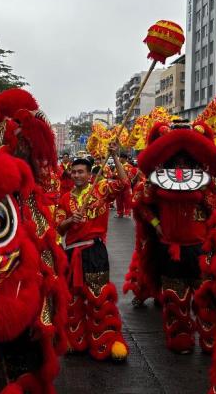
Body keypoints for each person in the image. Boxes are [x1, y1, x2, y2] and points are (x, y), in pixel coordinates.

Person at [55, 141, 129, 362]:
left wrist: (115, 156)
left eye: (81, 172)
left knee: (98, 297)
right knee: (72, 299)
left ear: (89, 174)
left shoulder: (101, 188)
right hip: (71, 253)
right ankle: (75, 339)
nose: (77, 175)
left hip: (95, 251)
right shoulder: (66, 198)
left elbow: (125, 184)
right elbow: (58, 227)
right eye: (74, 172)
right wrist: (70, 219)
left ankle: (107, 341)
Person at [115, 152, 138, 218]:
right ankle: (120, 213)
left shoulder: (129, 166)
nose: (119, 159)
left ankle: (127, 213)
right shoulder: (118, 166)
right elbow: (114, 174)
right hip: (118, 184)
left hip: (126, 185)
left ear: (124, 158)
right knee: (118, 199)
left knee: (127, 199)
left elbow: (131, 176)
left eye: (120, 157)